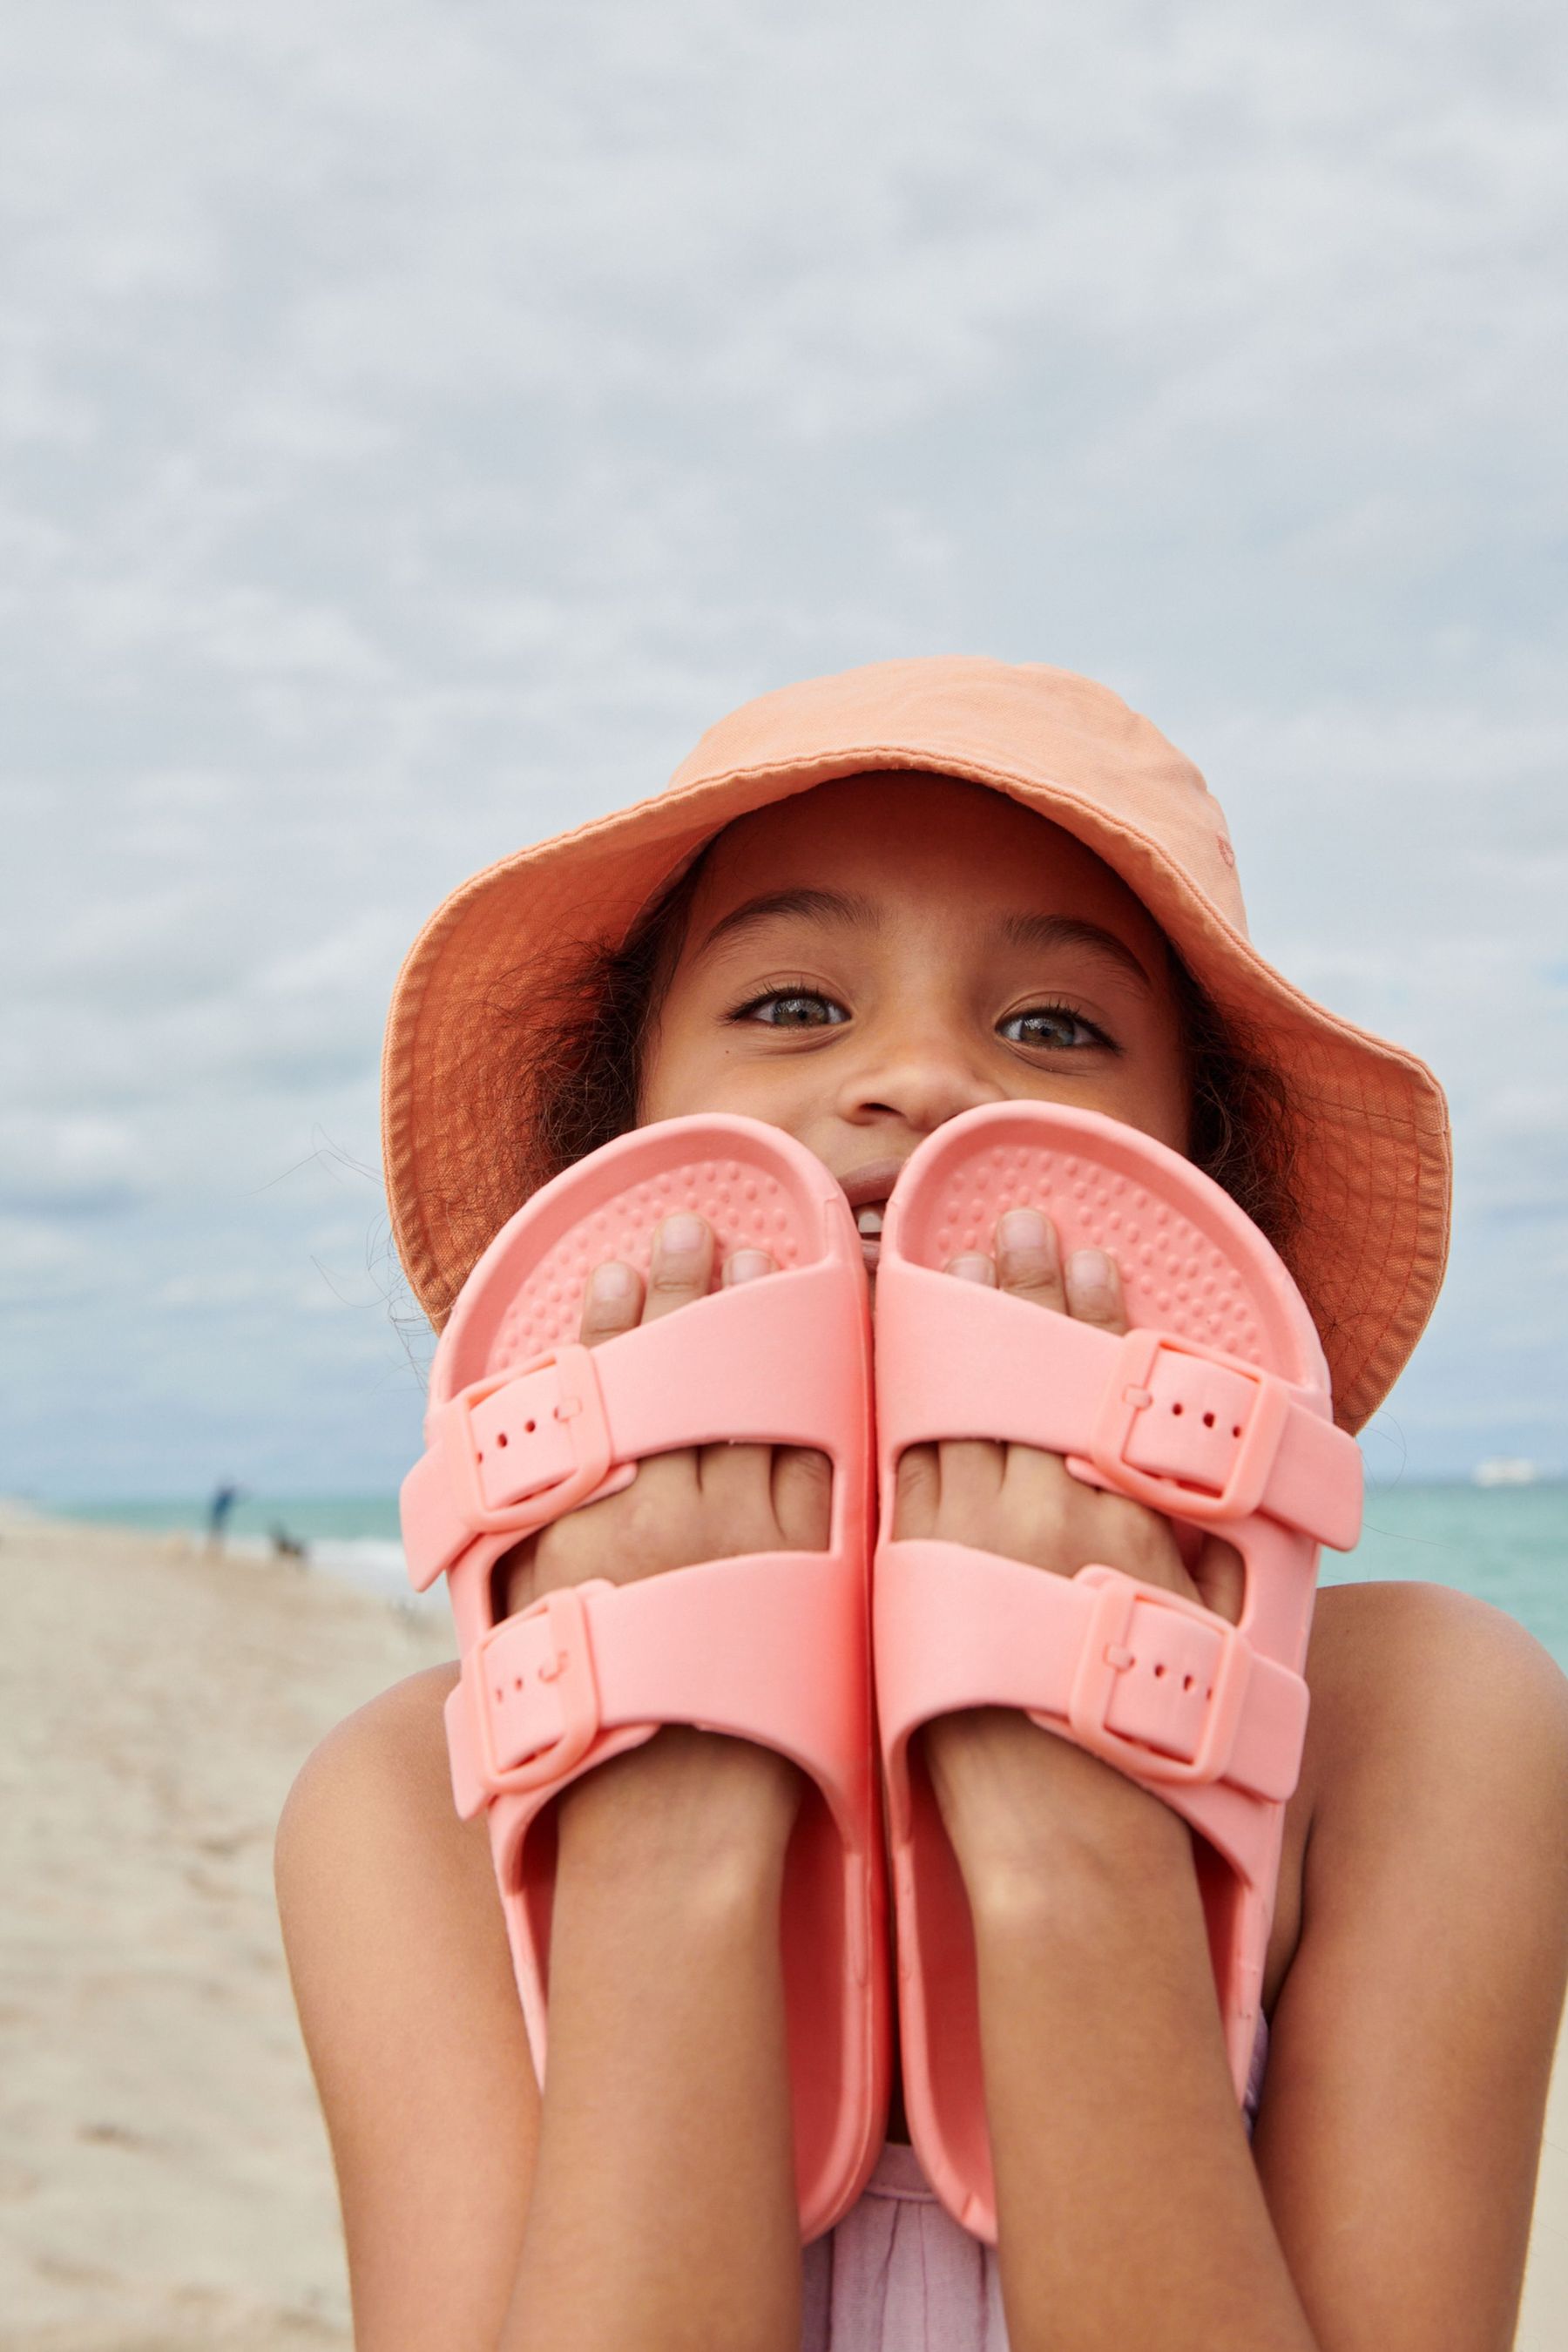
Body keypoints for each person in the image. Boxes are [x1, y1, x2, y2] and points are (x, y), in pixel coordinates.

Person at [275, 660, 1568, 2352]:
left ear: (1199, 1179)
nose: (918, 1080)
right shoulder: (407, 1802)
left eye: (1053, 1028)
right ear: (626, 1136)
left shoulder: (1420, 1727)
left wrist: (1074, 1829)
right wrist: (668, 1819)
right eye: (796, 1004)